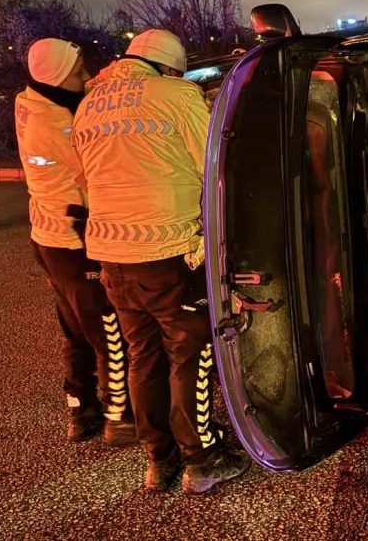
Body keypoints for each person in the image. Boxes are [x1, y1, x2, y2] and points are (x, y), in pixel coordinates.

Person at [72, 29, 249, 494]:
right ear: (170, 67)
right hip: (169, 251)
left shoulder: (91, 103)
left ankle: (159, 460)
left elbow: (83, 177)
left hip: (111, 254)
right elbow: (213, 165)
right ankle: (203, 460)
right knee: (190, 354)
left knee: (142, 354)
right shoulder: (176, 94)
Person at [16, 38, 135, 446]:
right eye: (79, 68)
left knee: (75, 329)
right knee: (107, 328)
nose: (86, 75)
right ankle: (119, 416)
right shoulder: (55, 125)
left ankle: (80, 410)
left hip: (50, 238)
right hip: (73, 239)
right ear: (57, 74)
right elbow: (95, 174)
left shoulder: (37, 103)